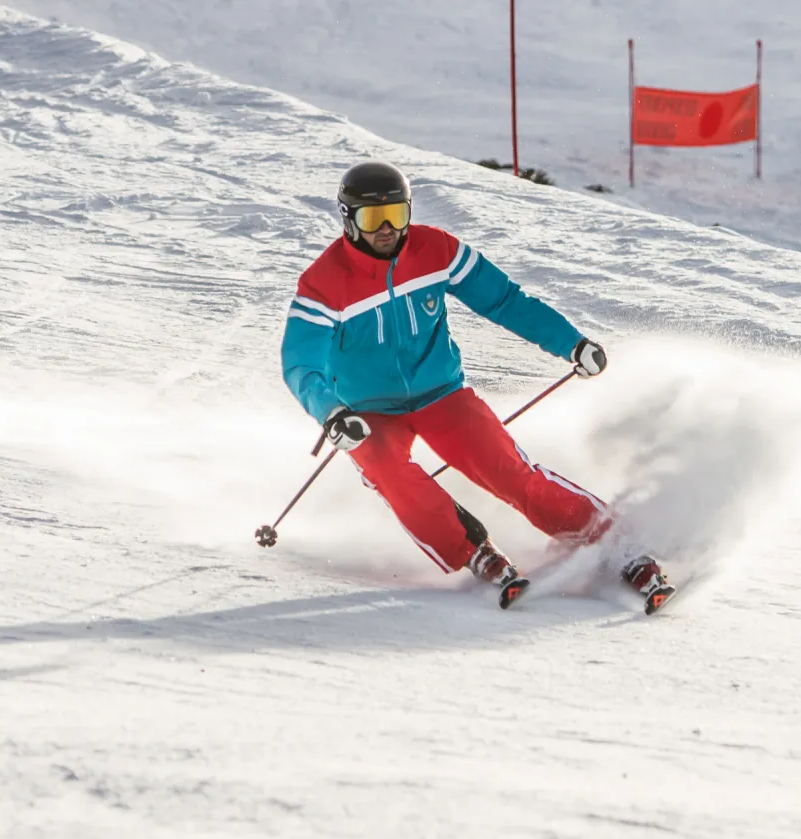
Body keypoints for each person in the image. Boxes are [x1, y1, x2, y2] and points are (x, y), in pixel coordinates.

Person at [278, 161, 672, 612]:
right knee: (387, 469)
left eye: (397, 215)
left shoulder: (435, 249)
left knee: (510, 472)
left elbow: (504, 300)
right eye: (372, 219)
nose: (387, 229)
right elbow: (300, 363)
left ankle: (619, 547)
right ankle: (474, 551)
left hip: (441, 394)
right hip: (365, 410)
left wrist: (571, 343)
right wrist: (331, 412)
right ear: (348, 219)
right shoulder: (325, 282)